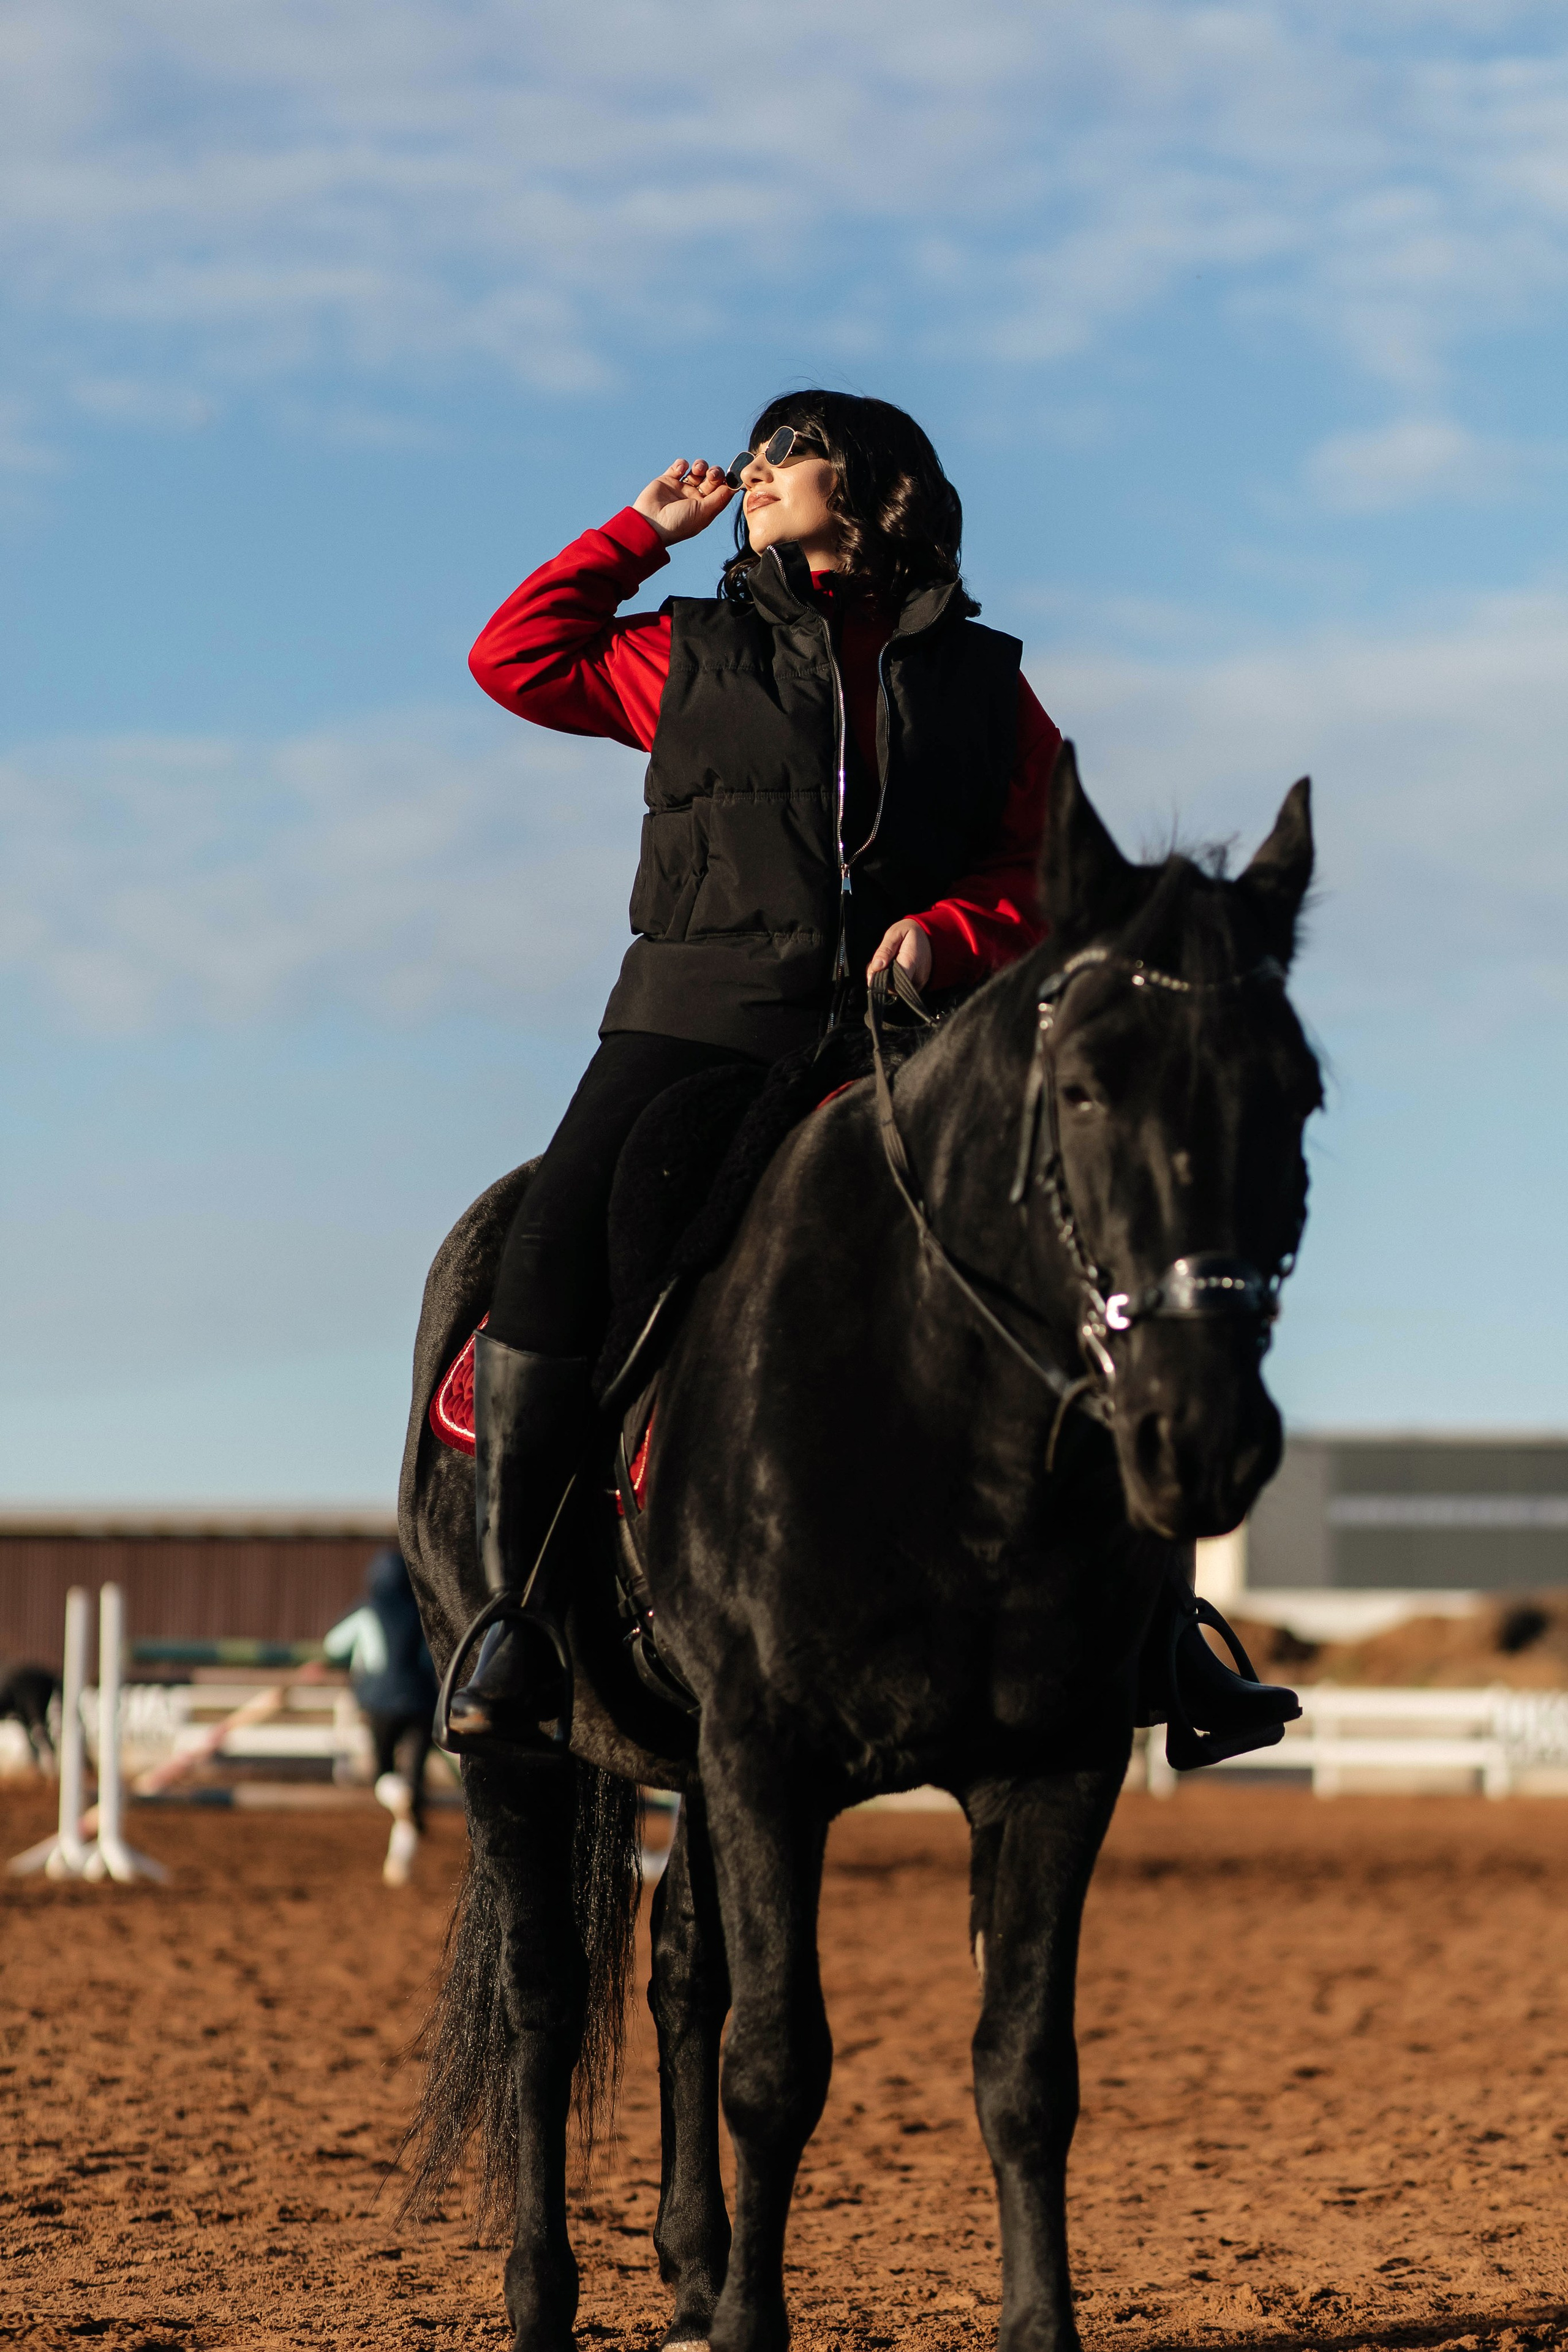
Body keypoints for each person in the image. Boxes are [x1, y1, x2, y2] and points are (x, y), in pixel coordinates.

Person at [451, 391, 1063, 1755]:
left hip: (906, 1031)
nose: (757, 469)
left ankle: (1148, 1629)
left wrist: (955, 930)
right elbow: (515, 658)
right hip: (697, 1012)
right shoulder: (685, 648)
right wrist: (637, 534)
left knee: (1095, 1227)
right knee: (550, 1244)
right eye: (754, 453)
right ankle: (518, 1617)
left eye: (791, 448)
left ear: (877, 483)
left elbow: (1045, 861)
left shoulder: (984, 680)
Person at [324, 1549, 439, 1883]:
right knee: (414, 1781)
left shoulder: (369, 1609)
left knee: (383, 1775)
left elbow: (333, 1646)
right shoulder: (423, 1610)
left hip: (379, 1704)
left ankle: (394, 1793)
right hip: (422, 1702)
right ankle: (400, 1860)